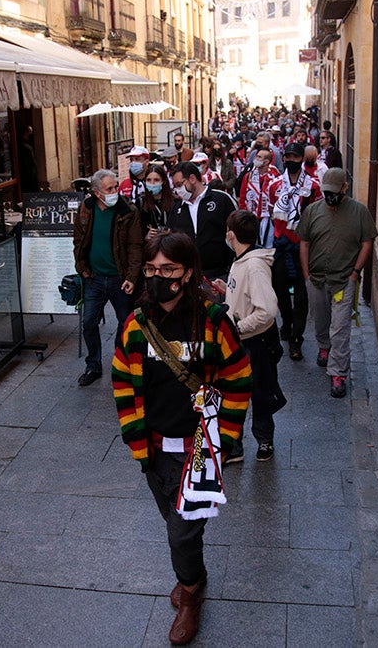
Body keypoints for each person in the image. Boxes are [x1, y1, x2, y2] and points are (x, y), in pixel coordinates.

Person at [112, 231, 251, 646]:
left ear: (187, 272)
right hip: (155, 450)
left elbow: (238, 377)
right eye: (151, 270)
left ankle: (190, 594)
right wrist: (135, 440)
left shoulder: (212, 320)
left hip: (200, 451)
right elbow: (122, 381)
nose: (157, 278)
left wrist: (223, 441)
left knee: (181, 533)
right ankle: (195, 573)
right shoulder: (137, 324)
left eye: (167, 270)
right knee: (177, 527)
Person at [213, 210, 285, 463]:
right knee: (235, 392)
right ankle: (234, 448)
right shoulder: (241, 259)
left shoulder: (254, 266)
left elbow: (266, 310)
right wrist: (227, 290)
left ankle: (264, 441)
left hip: (257, 343)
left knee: (260, 394)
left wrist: (238, 328)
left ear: (231, 234)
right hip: (243, 341)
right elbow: (245, 296)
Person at [298, 168, 377, 398]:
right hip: (317, 278)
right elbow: (304, 242)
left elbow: (367, 242)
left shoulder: (359, 212)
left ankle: (338, 372)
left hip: (343, 280)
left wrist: (355, 273)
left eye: (334, 191)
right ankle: (324, 347)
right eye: (326, 191)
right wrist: (306, 274)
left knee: (340, 327)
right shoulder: (312, 211)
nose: (330, 195)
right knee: (320, 319)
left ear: (345, 188)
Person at [73, 169, 143, 387]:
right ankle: (93, 365)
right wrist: (82, 267)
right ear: (96, 193)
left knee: (125, 323)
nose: (115, 192)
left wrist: (131, 277)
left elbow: (135, 246)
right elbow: (78, 239)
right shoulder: (86, 208)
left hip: (119, 279)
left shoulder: (127, 211)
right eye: (109, 189)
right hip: (94, 278)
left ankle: (120, 362)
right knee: (88, 322)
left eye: (116, 187)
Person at [268, 142, 323, 360]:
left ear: (302, 159)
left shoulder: (313, 185)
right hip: (281, 246)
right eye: (287, 156)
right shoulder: (274, 185)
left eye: (295, 157)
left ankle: (296, 339)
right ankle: (287, 323)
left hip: (302, 247)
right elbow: (273, 211)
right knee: (280, 292)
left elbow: (315, 214)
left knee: (301, 297)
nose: (291, 160)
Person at [169, 162, 236, 285]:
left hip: (218, 275)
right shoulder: (177, 209)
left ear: (192, 178)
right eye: (176, 187)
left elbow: (236, 233)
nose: (178, 190)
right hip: (188, 277)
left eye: (180, 185)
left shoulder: (221, 200)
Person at [236, 145, 281, 247]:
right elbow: (243, 197)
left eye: (259, 157)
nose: (256, 159)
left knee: (266, 245)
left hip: (267, 218)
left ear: (266, 162)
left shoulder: (275, 177)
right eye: (256, 156)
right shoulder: (249, 176)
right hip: (250, 216)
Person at [139, 164, 174, 240]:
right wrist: (145, 237)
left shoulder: (175, 201)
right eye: (148, 180)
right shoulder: (140, 202)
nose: (152, 183)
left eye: (156, 180)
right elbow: (137, 232)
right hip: (151, 247)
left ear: (164, 181)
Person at [120, 145, 150, 209]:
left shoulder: (153, 182)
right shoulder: (124, 184)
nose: (133, 163)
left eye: (137, 159)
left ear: (147, 162)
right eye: (131, 160)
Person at [18, 125, 40, 193]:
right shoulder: (22, 144)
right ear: (26, 132)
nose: (31, 134)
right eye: (30, 132)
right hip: (27, 170)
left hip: (31, 169)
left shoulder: (29, 142)